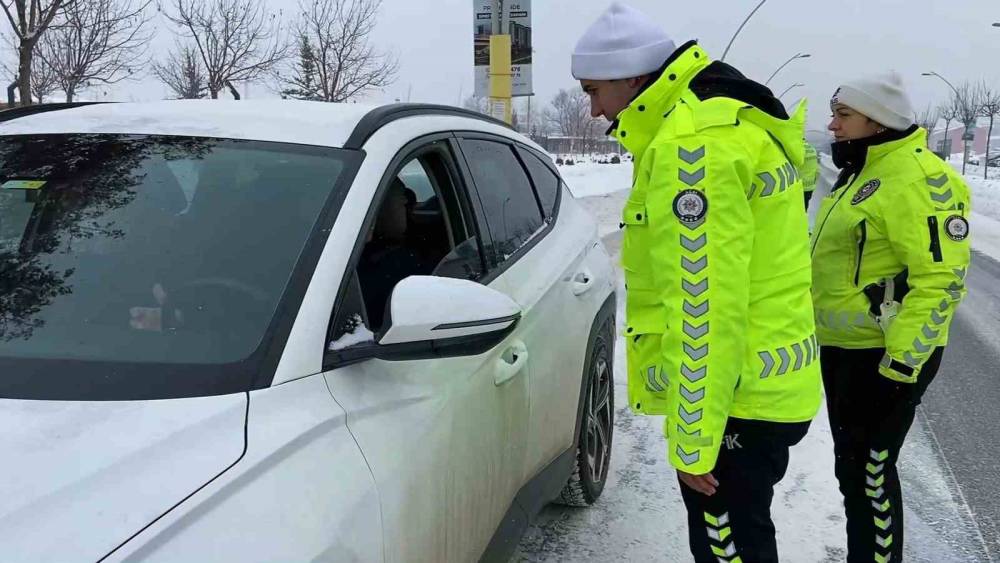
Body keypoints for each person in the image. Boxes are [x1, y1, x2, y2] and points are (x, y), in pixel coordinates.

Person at [571, 3, 821, 561]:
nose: (593, 109)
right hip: (763, 389)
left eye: (593, 90)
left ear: (631, 78)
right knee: (746, 539)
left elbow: (704, 308)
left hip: (738, 402)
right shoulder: (723, 120)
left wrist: (694, 440)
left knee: (729, 548)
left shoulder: (693, 147)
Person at [812, 72, 971, 562]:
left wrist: (901, 367)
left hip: (882, 358)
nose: (833, 125)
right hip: (846, 351)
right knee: (854, 473)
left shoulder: (919, 178)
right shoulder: (863, 171)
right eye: (834, 114)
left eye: (843, 115)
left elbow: (941, 281)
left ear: (878, 121)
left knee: (871, 475)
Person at [801, 139, 819, 210]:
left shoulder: (798, 150)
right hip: (810, 187)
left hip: (800, 187)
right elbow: (817, 169)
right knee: (804, 208)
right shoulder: (812, 149)